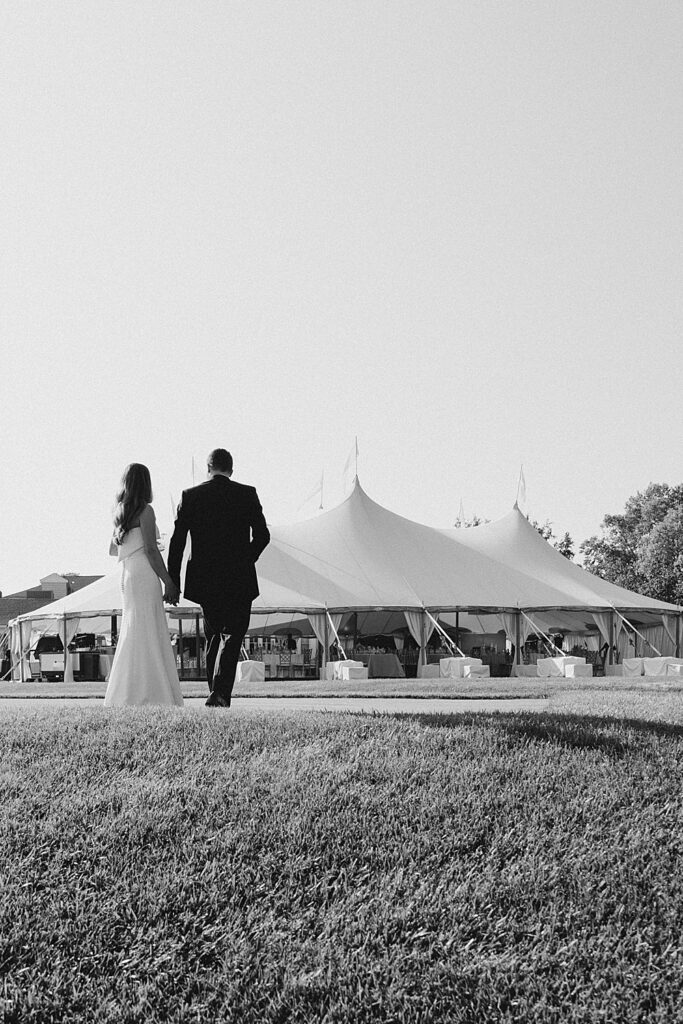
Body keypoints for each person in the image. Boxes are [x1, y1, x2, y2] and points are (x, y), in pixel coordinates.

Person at [168, 448, 270, 708]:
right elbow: (263, 536)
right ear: (231, 470)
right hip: (239, 577)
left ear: (208, 468)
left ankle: (215, 691)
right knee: (233, 633)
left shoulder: (190, 496)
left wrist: (173, 581)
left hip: (205, 578)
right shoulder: (247, 494)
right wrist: (246, 559)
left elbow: (177, 542)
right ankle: (220, 693)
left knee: (213, 636)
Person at [104, 464, 183, 708]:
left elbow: (112, 550)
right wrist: (168, 581)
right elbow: (150, 549)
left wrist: (131, 544)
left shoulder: (119, 512)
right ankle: (154, 691)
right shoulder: (146, 511)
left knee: (133, 628)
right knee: (150, 627)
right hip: (144, 572)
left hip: (128, 573)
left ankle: (126, 691)